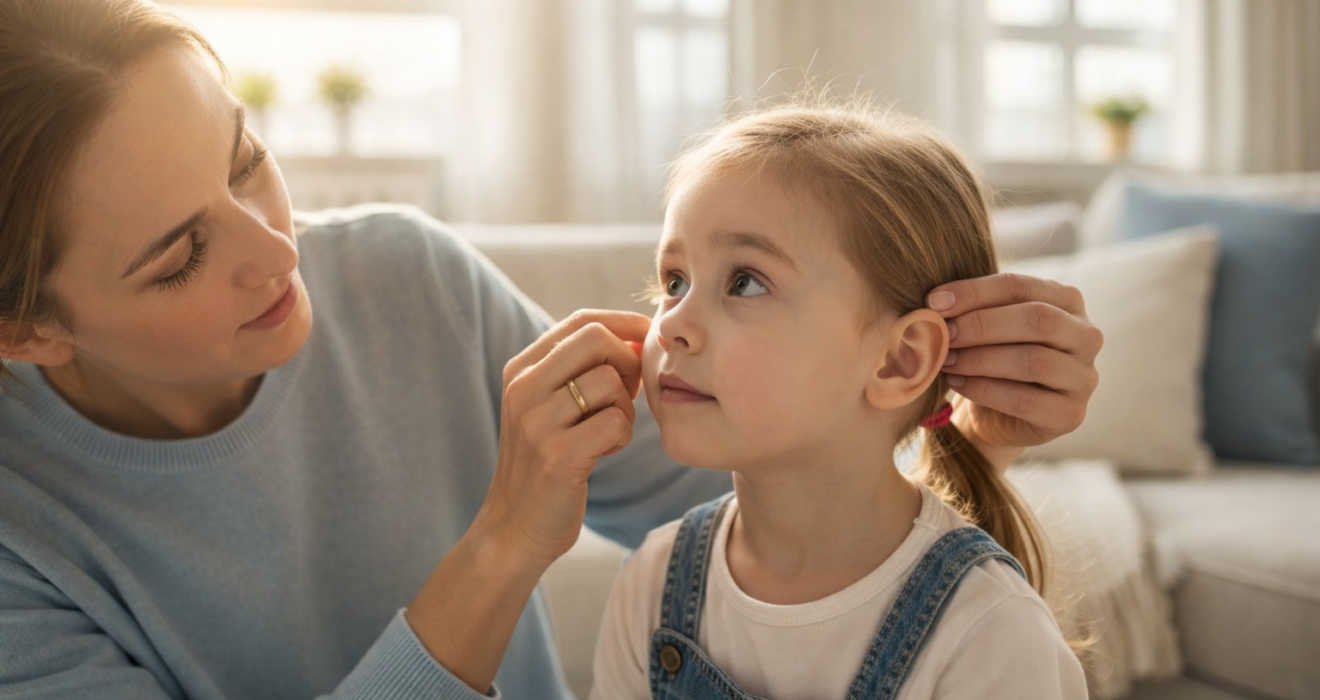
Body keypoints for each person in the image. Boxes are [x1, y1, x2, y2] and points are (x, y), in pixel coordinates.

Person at [0, 1, 1102, 698]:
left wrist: (950, 414)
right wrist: (500, 548)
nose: (273, 246)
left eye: (244, 158)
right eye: (181, 255)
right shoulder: (20, 543)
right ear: (27, 331)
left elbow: (784, 479)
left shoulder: (405, 276)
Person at [590, 104, 1093, 699]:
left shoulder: (992, 633)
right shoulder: (653, 584)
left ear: (899, 359)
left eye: (745, 281)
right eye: (674, 281)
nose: (672, 325)